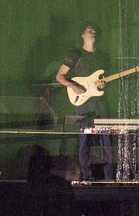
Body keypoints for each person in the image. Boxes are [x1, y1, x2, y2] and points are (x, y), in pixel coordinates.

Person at [55, 24, 114, 180]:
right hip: (83, 104)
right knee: (84, 142)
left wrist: (104, 84)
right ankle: (85, 179)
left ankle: (109, 180)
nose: (93, 31)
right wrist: (73, 85)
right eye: (89, 30)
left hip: (100, 101)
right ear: (82, 34)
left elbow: (106, 80)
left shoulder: (104, 56)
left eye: (95, 29)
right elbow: (59, 76)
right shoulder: (75, 54)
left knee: (106, 141)